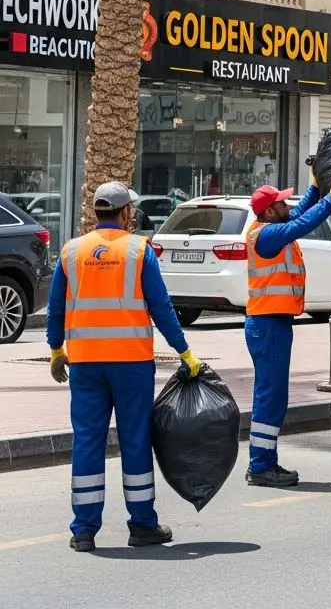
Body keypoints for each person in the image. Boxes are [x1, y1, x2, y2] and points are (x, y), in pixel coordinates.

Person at [46, 182, 203, 552]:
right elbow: (161, 307)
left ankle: (83, 530)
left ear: (96, 211)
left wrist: (56, 350)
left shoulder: (71, 252)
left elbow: (56, 308)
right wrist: (185, 352)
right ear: (126, 213)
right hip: (131, 363)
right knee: (134, 441)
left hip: (85, 364)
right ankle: (142, 525)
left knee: (87, 441)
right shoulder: (138, 250)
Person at [245, 173, 331, 487]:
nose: (286, 205)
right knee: (270, 397)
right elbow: (302, 224)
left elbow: (299, 212)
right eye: (280, 202)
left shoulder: (270, 226)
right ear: (269, 212)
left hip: (273, 322)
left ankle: (263, 461)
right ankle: (261, 466)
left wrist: (316, 186)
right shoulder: (267, 236)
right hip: (269, 325)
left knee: (270, 395)